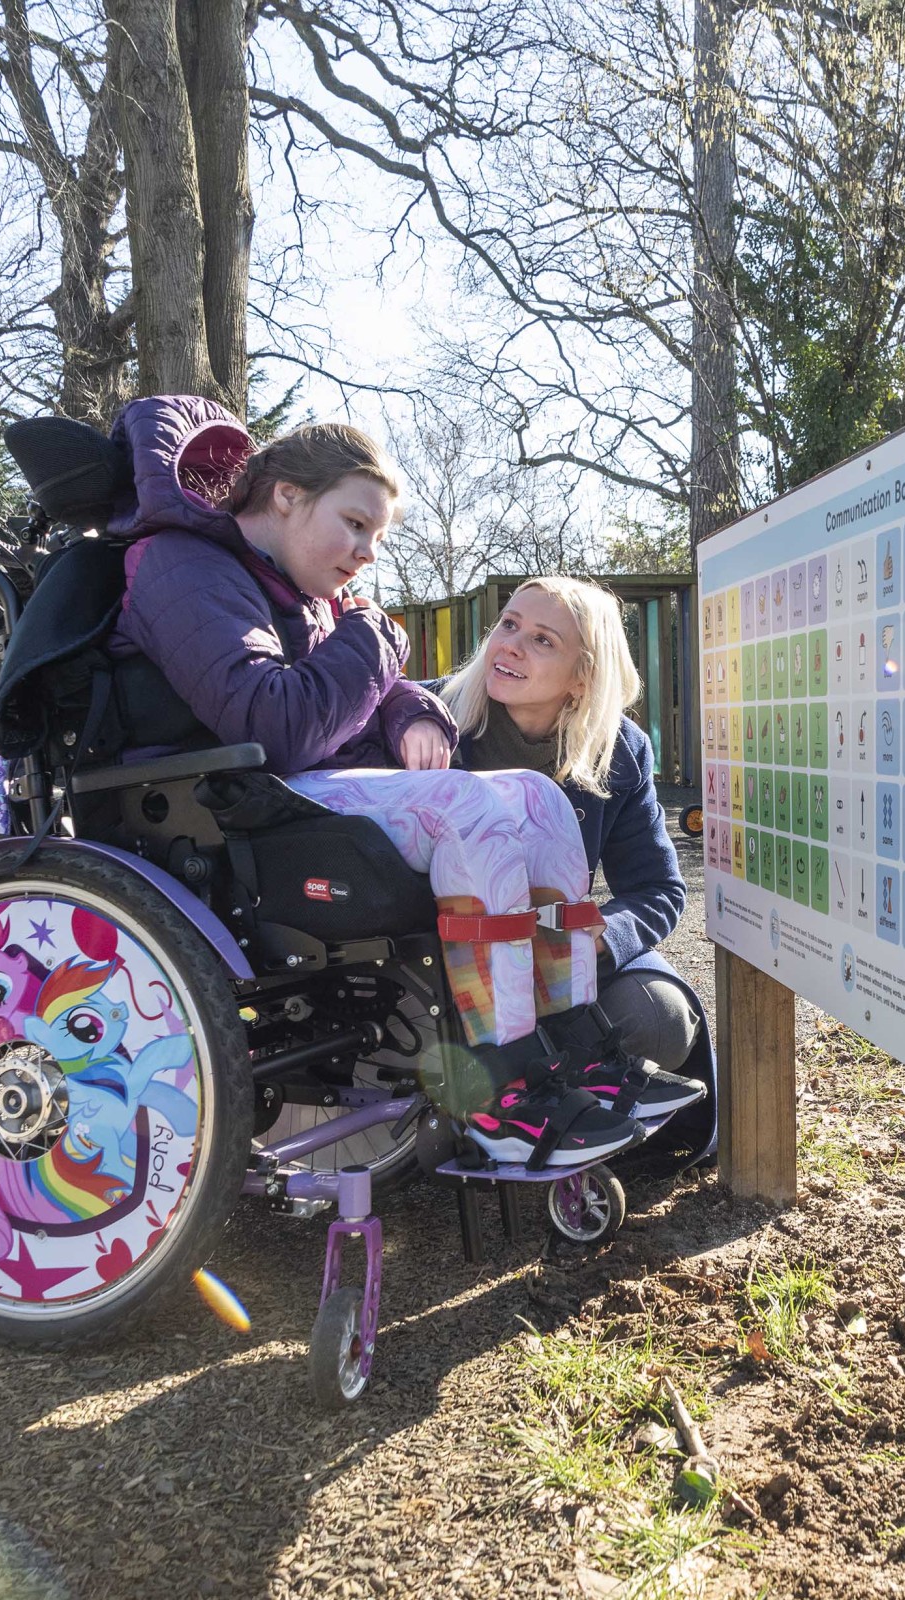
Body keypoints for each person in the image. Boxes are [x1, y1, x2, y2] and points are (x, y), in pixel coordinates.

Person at [107, 398, 702, 1168]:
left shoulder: (294, 586)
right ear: (287, 495)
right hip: (229, 797)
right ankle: (503, 1086)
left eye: (375, 535)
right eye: (356, 525)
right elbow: (275, 720)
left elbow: (368, 688)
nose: (365, 552)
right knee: (468, 806)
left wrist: (408, 704)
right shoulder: (186, 568)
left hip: (292, 784)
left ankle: (576, 1045)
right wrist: (373, 635)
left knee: (537, 797)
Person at [438, 577, 716, 1158]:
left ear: (584, 676)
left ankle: (560, 1107)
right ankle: (502, 1104)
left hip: (556, 960)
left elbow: (658, 888)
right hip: (439, 962)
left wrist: (603, 936)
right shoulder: (424, 720)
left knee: (658, 1020)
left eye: (542, 640)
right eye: (508, 625)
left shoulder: (620, 750)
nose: (509, 645)